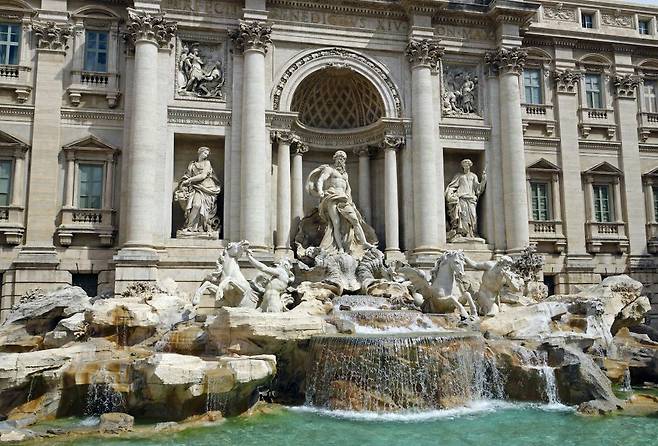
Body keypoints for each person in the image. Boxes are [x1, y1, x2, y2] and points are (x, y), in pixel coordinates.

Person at [305, 150, 376, 256]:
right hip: (332, 197)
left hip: (344, 199)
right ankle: (340, 248)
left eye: (343, 159)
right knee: (336, 223)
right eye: (339, 158)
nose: (341, 161)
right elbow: (321, 180)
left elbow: (348, 188)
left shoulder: (345, 175)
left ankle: (364, 242)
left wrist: (350, 200)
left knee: (355, 220)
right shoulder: (329, 169)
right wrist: (320, 191)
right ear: (335, 158)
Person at [175, 146, 222, 234]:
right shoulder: (192, 164)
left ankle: (195, 227)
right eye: (205, 153)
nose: (206, 155)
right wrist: (184, 183)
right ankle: (190, 227)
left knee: (197, 206)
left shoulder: (207, 163)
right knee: (196, 205)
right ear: (200, 152)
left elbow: (203, 176)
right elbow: (187, 175)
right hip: (195, 188)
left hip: (206, 188)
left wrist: (189, 180)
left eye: (207, 154)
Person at [445, 159, 486, 241]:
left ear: (470, 166)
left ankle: (472, 233)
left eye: (467, 165)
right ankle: (463, 233)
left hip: (471, 199)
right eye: (464, 165)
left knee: (473, 216)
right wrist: (450, 194)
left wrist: (484, 179)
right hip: (462, 198)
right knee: (463, 216)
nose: (465, 166)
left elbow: (478, 188)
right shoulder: (459, 176)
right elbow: (452, 186)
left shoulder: (473, 176)